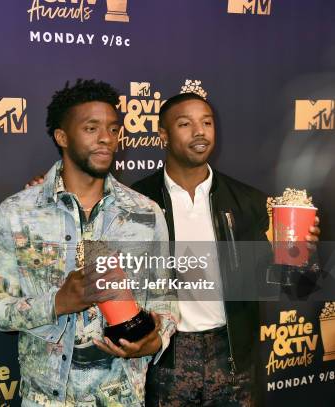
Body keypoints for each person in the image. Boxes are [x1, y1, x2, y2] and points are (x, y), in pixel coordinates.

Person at [0, 79, 179, 406]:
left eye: (112, 128)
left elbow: (165, 302)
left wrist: (154, 340)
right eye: (91, 128)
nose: (106, 138)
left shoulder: (145, 214)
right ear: (62, 137)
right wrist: (57, 302)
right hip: (45, 397)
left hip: (121, 396)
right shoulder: (18, 212)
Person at [131, 92, 320, 406]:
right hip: (167, 360)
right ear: (163, 135)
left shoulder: (247, 201)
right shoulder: (135, 201)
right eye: (185, 124)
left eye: (207, 122)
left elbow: (291, 286)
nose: (200, 131)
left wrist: (303, 254)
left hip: (232, 357)